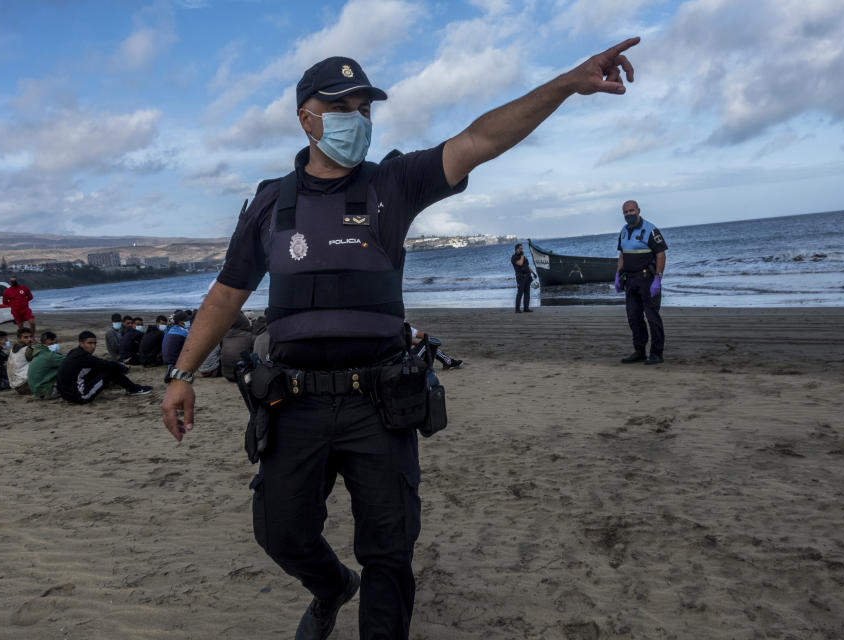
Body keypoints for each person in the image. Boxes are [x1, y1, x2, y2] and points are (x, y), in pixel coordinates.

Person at [161, 41, 639, 640]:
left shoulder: (394, 183)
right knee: (280, 533)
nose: (355, 118)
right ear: (305, 117)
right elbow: (226, 294)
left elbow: (479, 139)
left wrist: (567, 84)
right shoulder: (269, 204)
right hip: (293, 403)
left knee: (388, 550)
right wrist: (182, 376)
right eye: (340, 105)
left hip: (378, 403)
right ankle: (332, 586)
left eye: (364, 107)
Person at [614, 199, 667, 365]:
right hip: (630, 281)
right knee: (634, 318)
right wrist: (618, 275)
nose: (629, 214)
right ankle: (639, 351)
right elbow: (622, 255)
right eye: (626, 212)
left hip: (647, 280)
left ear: (638, 210)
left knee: (652, 317)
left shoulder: (650, 230)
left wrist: (658, 278)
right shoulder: (623, 231)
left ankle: (657, 353)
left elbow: (661, 254)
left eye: (631, 210)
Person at [58, 331, 151, 403]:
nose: (93, 346)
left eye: (94, 343)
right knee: (110, 371)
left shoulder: (74, 352)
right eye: (89, 343)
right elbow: (106, 364)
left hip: (66, 395)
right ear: (81, 343)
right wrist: (123, 368)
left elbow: (99, 364)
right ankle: (133, 389)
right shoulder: (82, 357)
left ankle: (121, 385)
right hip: (79, 396)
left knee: (102, 368)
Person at [27, 331, 66, 399]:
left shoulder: (38, 352)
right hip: (46, 391)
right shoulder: (48, 356)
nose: (56, 344)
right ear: (48, 340)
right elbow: (69, 360)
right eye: (54, 342)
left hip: (37, 390)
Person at [219, 311, 254, 382]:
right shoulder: (250, 337)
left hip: (226, 374)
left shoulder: (224, 336)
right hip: (242, 375)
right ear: (244, 322)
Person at [7, 326, 35, 395]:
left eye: (30, 337)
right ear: (18, 339)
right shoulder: (27, 349)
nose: (29, 339)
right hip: (25, 385)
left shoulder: (12, 349)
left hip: (16, 385)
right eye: (26, 337)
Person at [161, 310, 190, 375]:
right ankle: (174, 371)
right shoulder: (183, 332)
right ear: (180, 322)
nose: (188, 321)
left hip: (166, 360)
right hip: (174, 361)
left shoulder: (172, 329)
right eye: (186, 320)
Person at [511, 243, 537, 313]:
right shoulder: (514, 257)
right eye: (520, 248)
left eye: (522, 248)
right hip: (520, 277)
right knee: (520, 293)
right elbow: (520, 263)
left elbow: (527, 266)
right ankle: (517, 309)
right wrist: (522, 256)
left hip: (527, 276)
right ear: (516, 249)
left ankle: (526, 308)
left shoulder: (524, 257)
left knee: (527, 293)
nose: (522, 250)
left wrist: (533, 273)